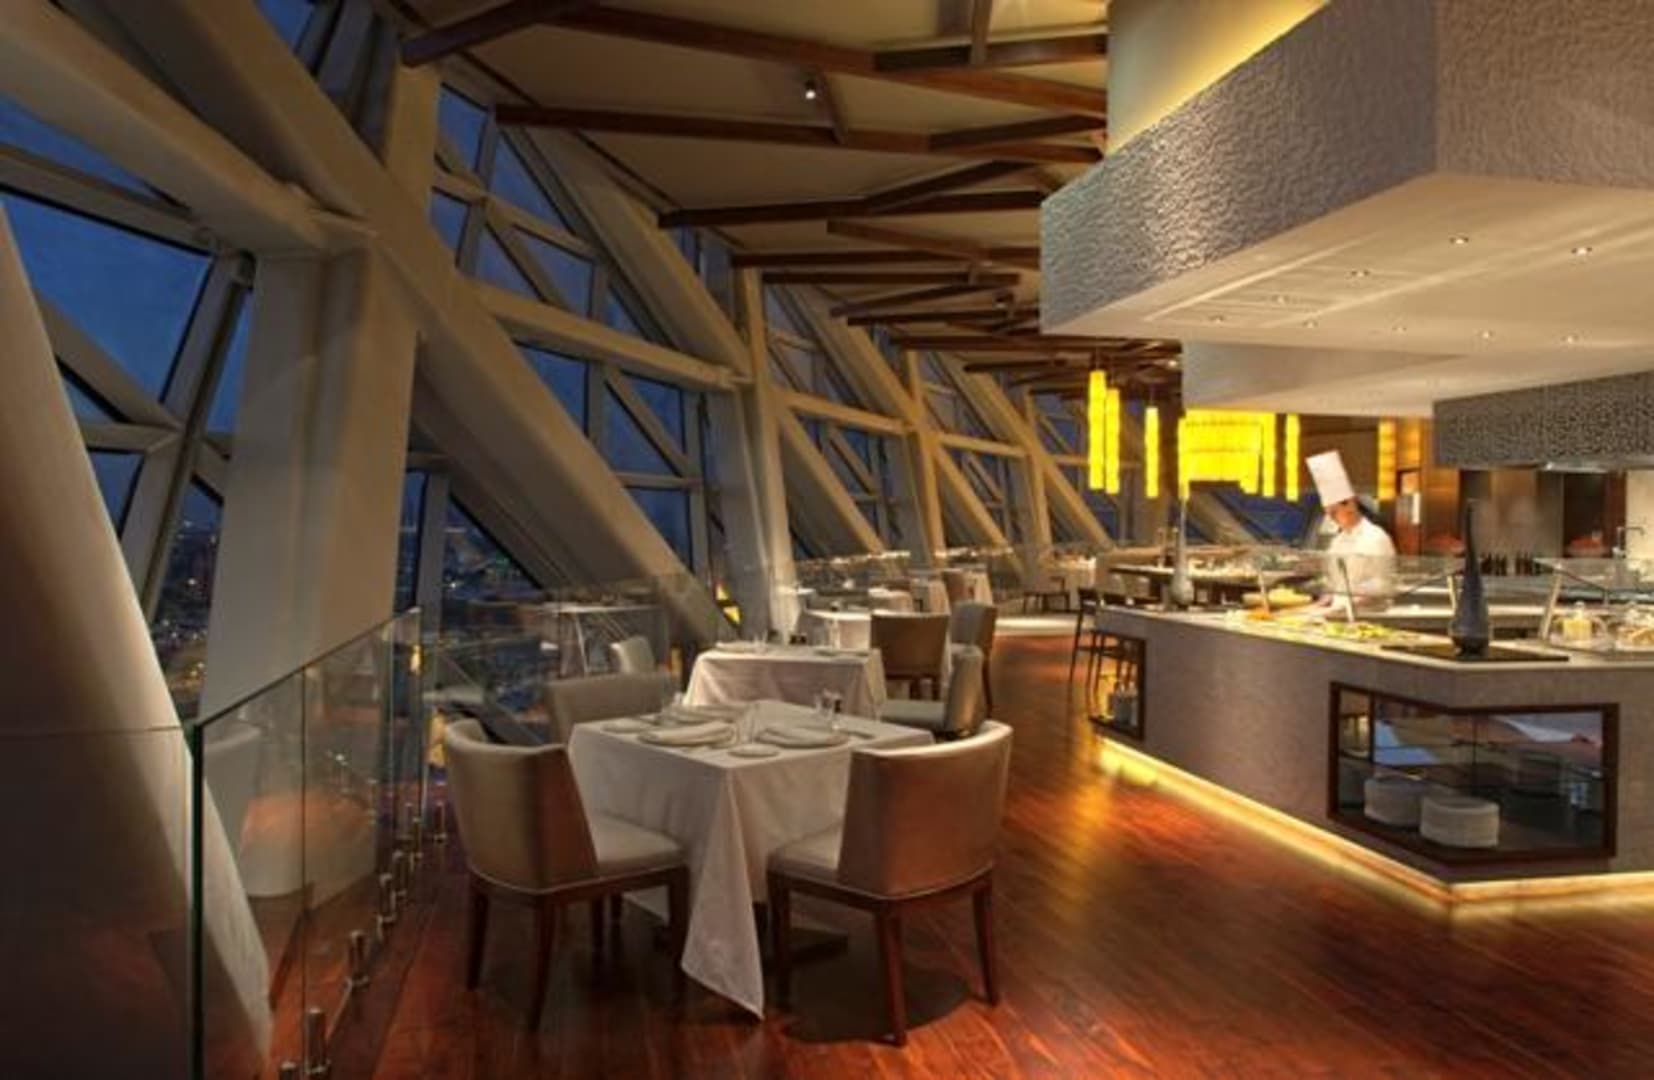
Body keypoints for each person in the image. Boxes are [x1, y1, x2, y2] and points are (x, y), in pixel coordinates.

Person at [1306, 451, 1396, 609]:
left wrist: (1351, 603)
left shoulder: (1376, 537)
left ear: (1350, 504)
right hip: (1339, 612)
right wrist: (1322, 602)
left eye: (1334, 513)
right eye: (1329, 514)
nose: (1332, 519)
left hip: (1368, 613)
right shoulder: (1337, 541)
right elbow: (1335, 583)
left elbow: (1383, 585)